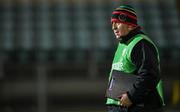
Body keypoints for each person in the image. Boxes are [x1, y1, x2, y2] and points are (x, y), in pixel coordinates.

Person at [105, 5, 165, 112]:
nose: (113, 27)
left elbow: (150, 75)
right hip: (122, 106)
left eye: (117, 23)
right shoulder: (123, 44)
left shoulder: (141, 43)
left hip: (139, 106)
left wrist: (131, 96)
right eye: (112, 23)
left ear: (131, 25)